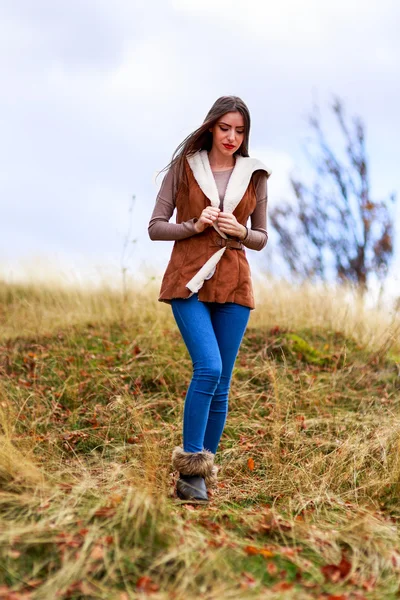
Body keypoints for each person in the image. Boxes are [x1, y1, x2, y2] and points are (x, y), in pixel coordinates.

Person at [148, 95, 271, 503]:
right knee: (209, 367)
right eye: (225, 128)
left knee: (222, 386)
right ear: (211, 127)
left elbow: (261, 239)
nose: (232, 136)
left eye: (240, 130)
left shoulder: (256, 175)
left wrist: (239, 230)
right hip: (188, 279)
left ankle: (201, 476)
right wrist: (192, 224)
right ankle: (188, 471)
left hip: (234, 283)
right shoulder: (184, 167)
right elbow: (155, 227)